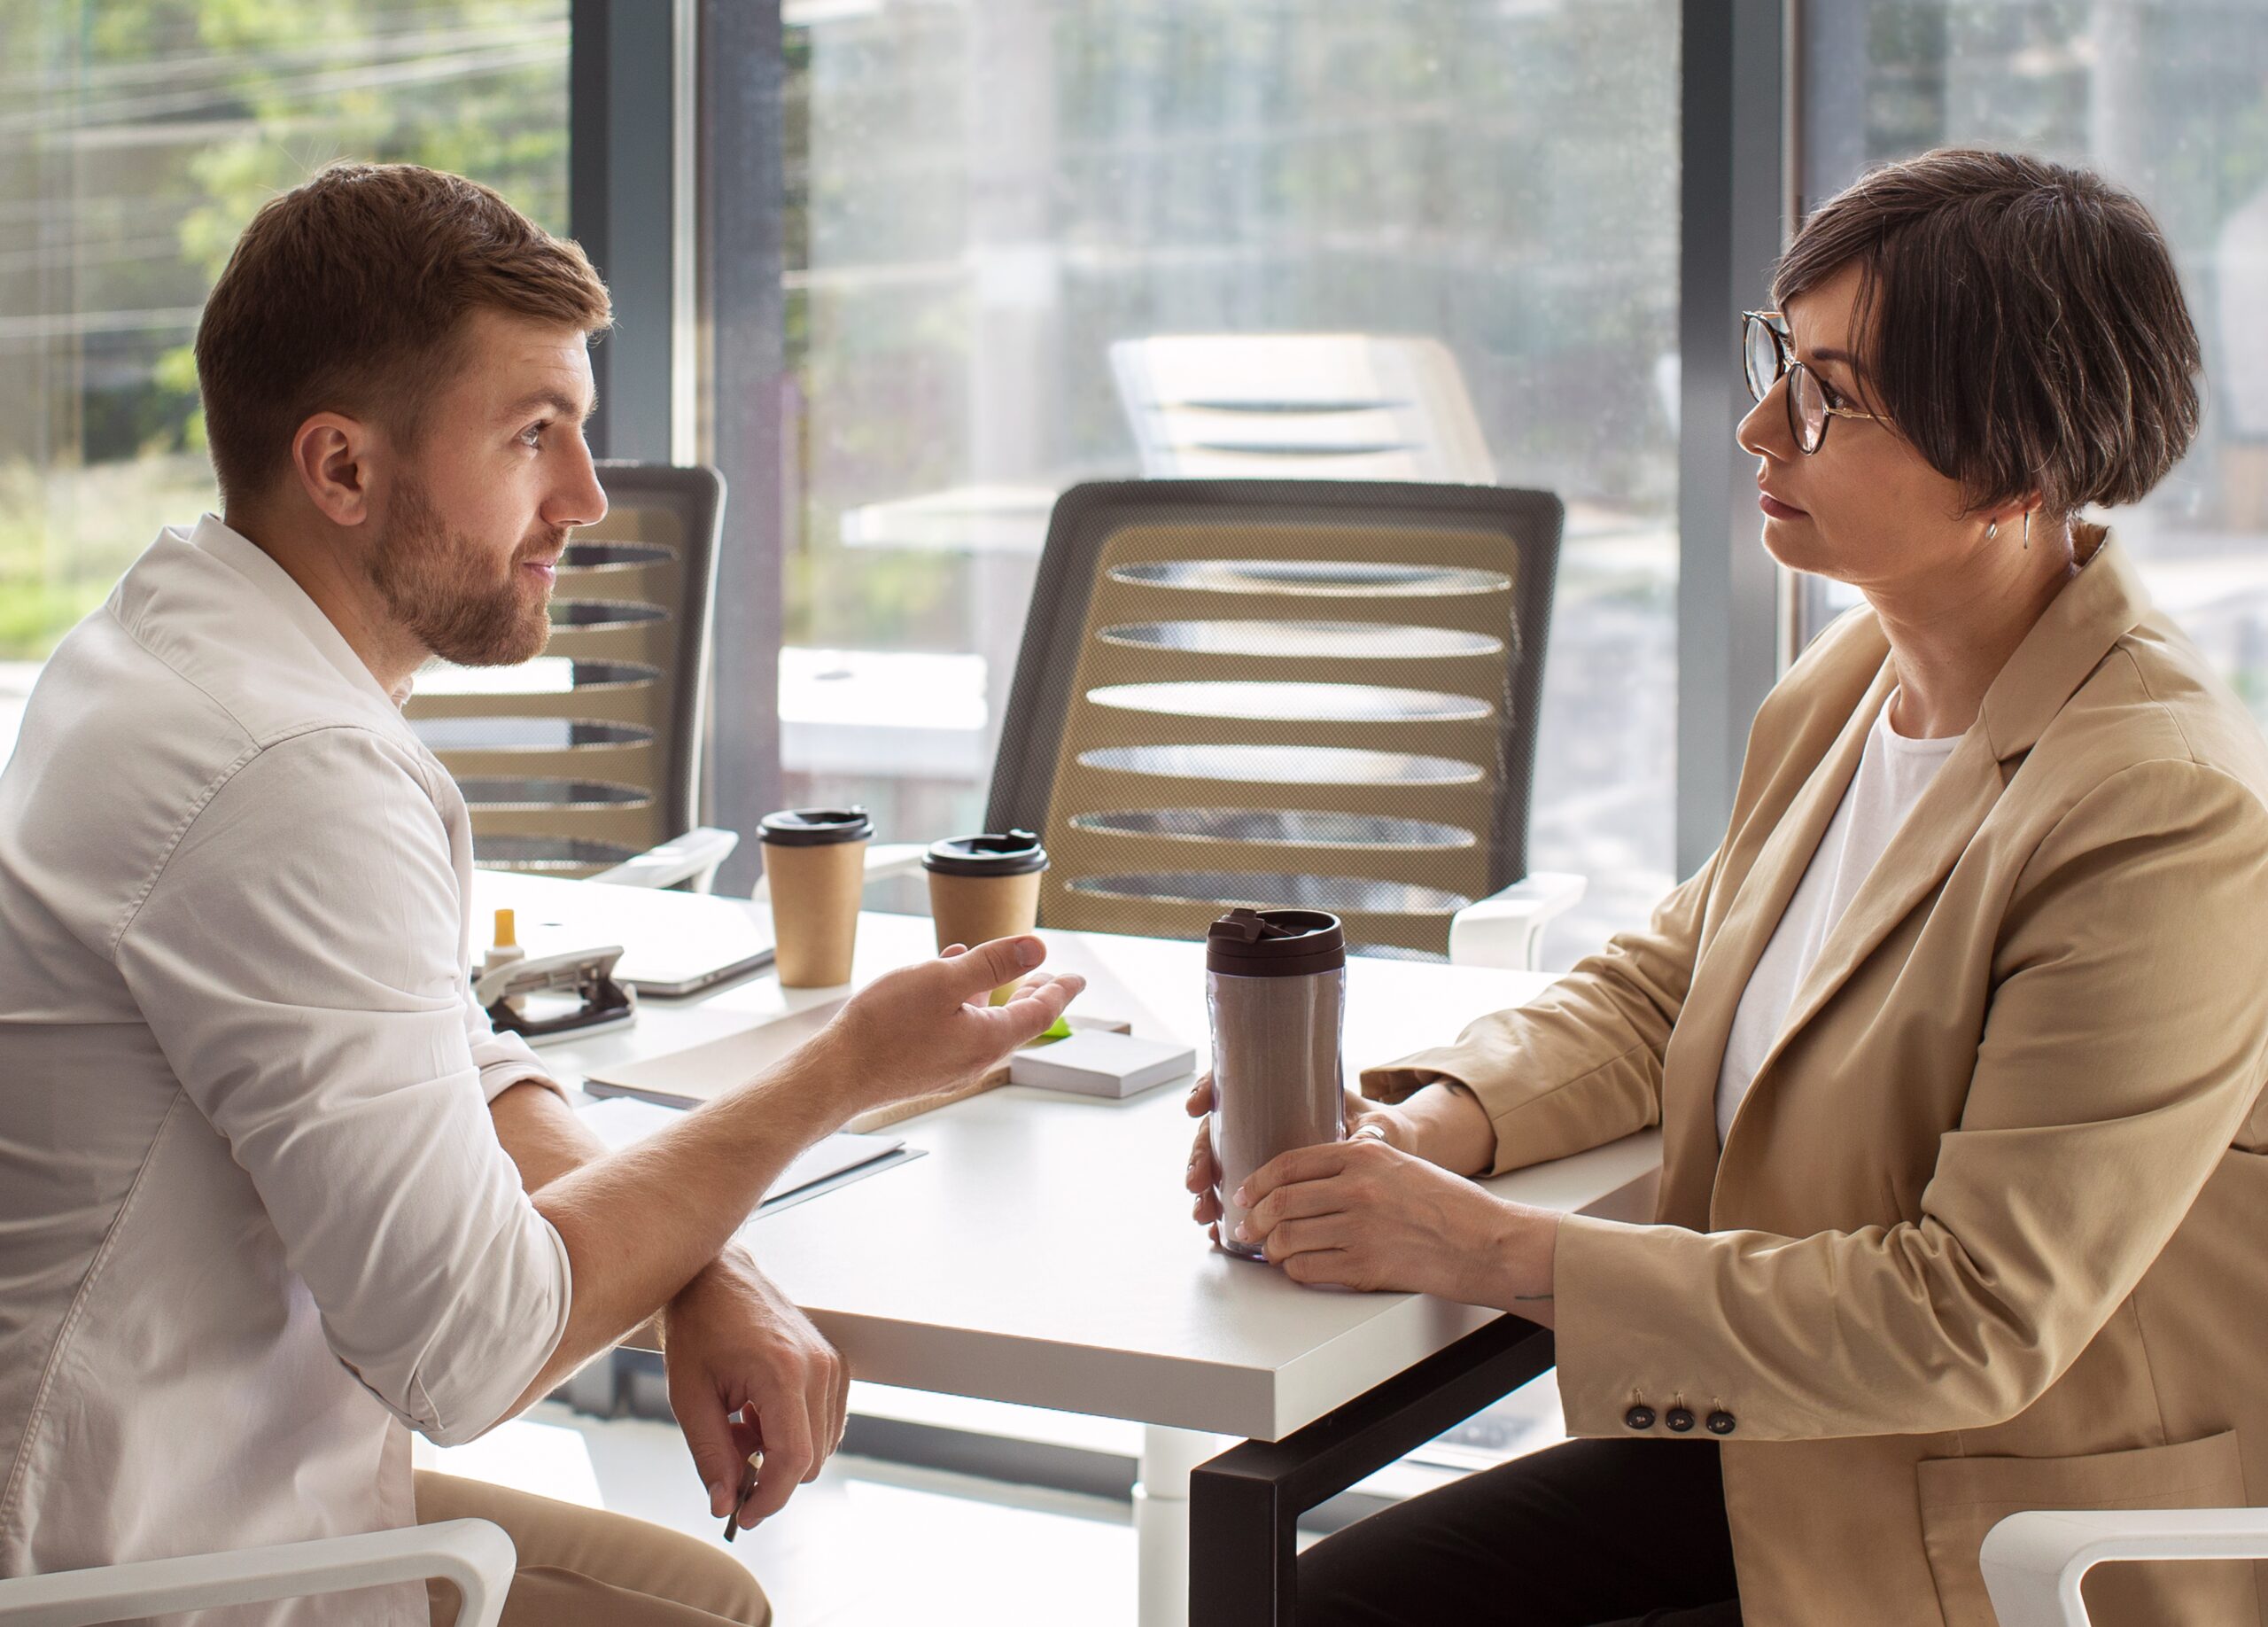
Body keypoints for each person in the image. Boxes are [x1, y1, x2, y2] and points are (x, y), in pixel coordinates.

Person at [1186, 148, 2268, 1627]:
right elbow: (1667, 988)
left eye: (1832, 397)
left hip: (1995, 1529)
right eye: (1781, 362)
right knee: (1309, 1609)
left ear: (2016, 471)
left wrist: (1476, 1246)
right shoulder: (1854, 680)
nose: (1762, 426)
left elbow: (1974, 1316)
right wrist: (1421, 1130)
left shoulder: (2164, 812)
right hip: (1802, 1451)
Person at [0, 161, 1084, 1627]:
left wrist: (708, 1260)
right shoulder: (289, 772)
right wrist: (841, 1073)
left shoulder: (174, 641)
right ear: (341, 469)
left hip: (186, 1483)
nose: (583, 496)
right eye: (531, 435)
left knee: (705, 1600)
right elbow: (468, 1354)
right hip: (141, 1572)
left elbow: (460, 1055)